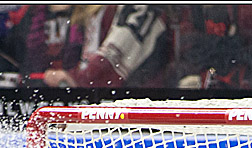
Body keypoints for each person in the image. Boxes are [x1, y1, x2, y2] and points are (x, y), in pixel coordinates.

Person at [42, 5, 171, 89]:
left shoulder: (137, 7)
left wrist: (74, 79)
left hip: (137, 101)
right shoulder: (88, 10)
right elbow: (85, 59)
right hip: (99, 96)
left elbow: (110, 60)